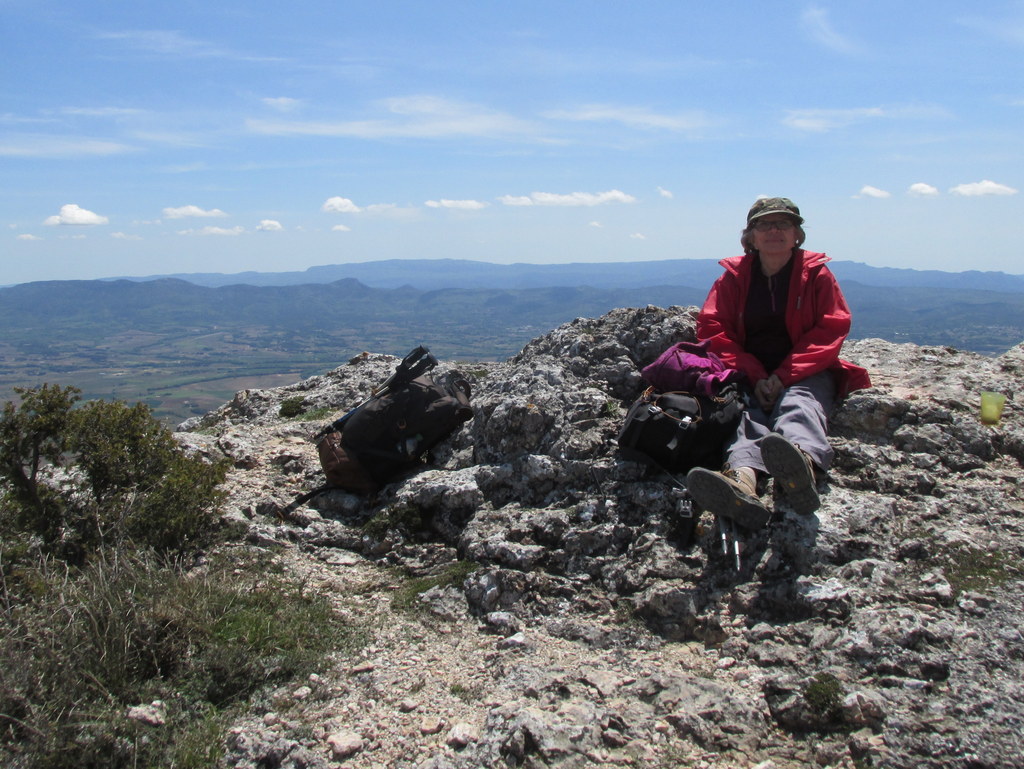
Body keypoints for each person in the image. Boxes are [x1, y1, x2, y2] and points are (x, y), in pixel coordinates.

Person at [685, 197, 870, 529]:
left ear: (797, 234)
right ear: (751, 236)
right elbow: (713, 328)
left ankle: (803, 468)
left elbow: (831, 327)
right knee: (744, 412)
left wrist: (784, 376)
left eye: (783, 224)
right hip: (748, 372)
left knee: (800, 403)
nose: (774, 230)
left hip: (805, 370)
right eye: (764, 224)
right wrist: (755, 375)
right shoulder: (734, 277)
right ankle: (742, 483)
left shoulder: (816, 275)